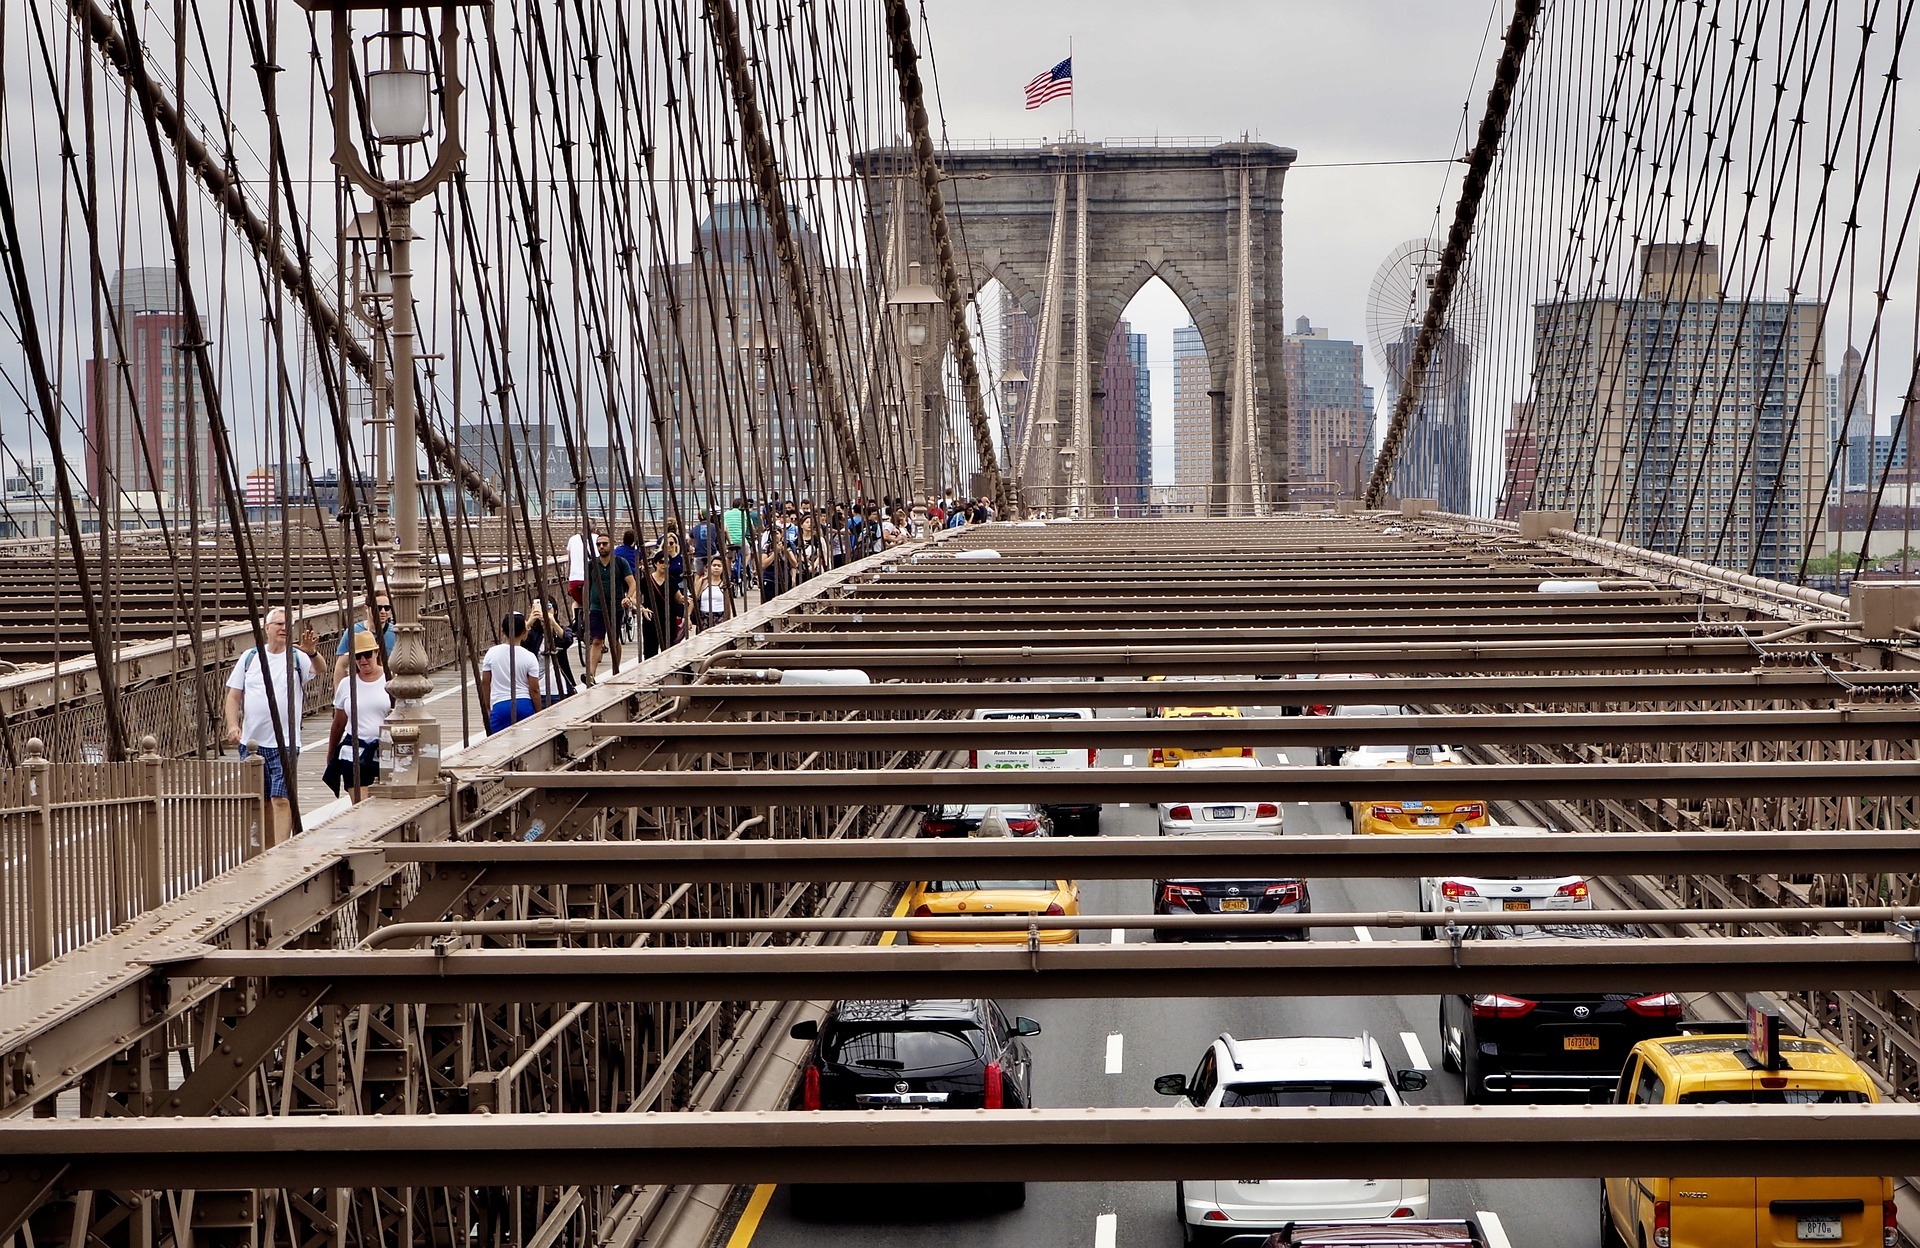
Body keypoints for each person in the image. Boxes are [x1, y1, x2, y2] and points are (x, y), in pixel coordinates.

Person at [224, 606, 320, 848]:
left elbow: (321, 669)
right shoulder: (250, 657)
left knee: (281, 798)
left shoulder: (297, 657)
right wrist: (233, 725)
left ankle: (281, 849)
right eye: (278, 624)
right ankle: (266, 850)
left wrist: (312, 653)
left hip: (286, 742)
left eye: (288, 625)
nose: (283, 628)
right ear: (267, 628)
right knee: (261, 799)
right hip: (253, 743)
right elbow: (234, 696)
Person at [323, 630, 389, 803]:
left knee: (385, 806)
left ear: (376, 653)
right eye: (358, 656)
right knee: (361, 806)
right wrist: (331, 754)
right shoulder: (346, 685)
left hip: (387, 751)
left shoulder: (391, 680)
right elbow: (338, 724)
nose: (363, 660)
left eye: (367, 654)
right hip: (354, 753)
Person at [583, 534, 637, 683]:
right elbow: (586, 586)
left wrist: (628, 597)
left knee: (614, 640)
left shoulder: (620, 563)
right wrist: (585, 606)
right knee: (596, 641)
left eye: (604, 544)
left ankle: (615, 669)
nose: (601, 547)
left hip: (615, 607)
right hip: (596, 607)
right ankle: (591, 674)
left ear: (611, 545)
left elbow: (632, 583)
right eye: (599, 544)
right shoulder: (591, 564)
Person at [481, 612, 544, 733]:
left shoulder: (492, 653)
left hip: (500, 706)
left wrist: (487, 709)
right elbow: (534, 690)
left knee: (496, 744)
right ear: (525, 632)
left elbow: (485, 683)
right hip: (524, 705)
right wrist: (539, 713)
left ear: (503, 631)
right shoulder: (530, 657)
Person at [332, 593, 394, 683]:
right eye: (378, 607)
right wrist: (338, 693)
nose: (383, 611)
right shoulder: (353, 632)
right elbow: (341, 665)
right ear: (366, 608)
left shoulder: (395, 633)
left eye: (387, 608)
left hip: (388, 685)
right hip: (361, 684)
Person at [523, 600, 576, 700]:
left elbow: (567, 641)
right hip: (535, 685)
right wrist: (530, 622)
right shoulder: (533, 633)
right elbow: (519, 641)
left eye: (548, 607)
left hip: (557, 686)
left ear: (555, 611)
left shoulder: (561, 630)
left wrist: (554, 624)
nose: (544, 611)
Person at [564, 524, 598, 608]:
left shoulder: (572, 539)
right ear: (595, 530)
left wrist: (568, 577)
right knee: (594, 604)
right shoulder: (598, 539)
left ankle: (575, 619)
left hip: (574, 580)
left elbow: (569, 561)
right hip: (592, 580)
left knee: (577, 603)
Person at [694, 554, 732, 629]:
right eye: (714, 565)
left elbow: (729, 604)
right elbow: (693, 599)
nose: (716, 568)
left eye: (719, 566)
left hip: (720, 618)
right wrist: (687, 616)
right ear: (709, 567)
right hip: (703, 618)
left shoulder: (724, 585)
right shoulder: (702, 582)